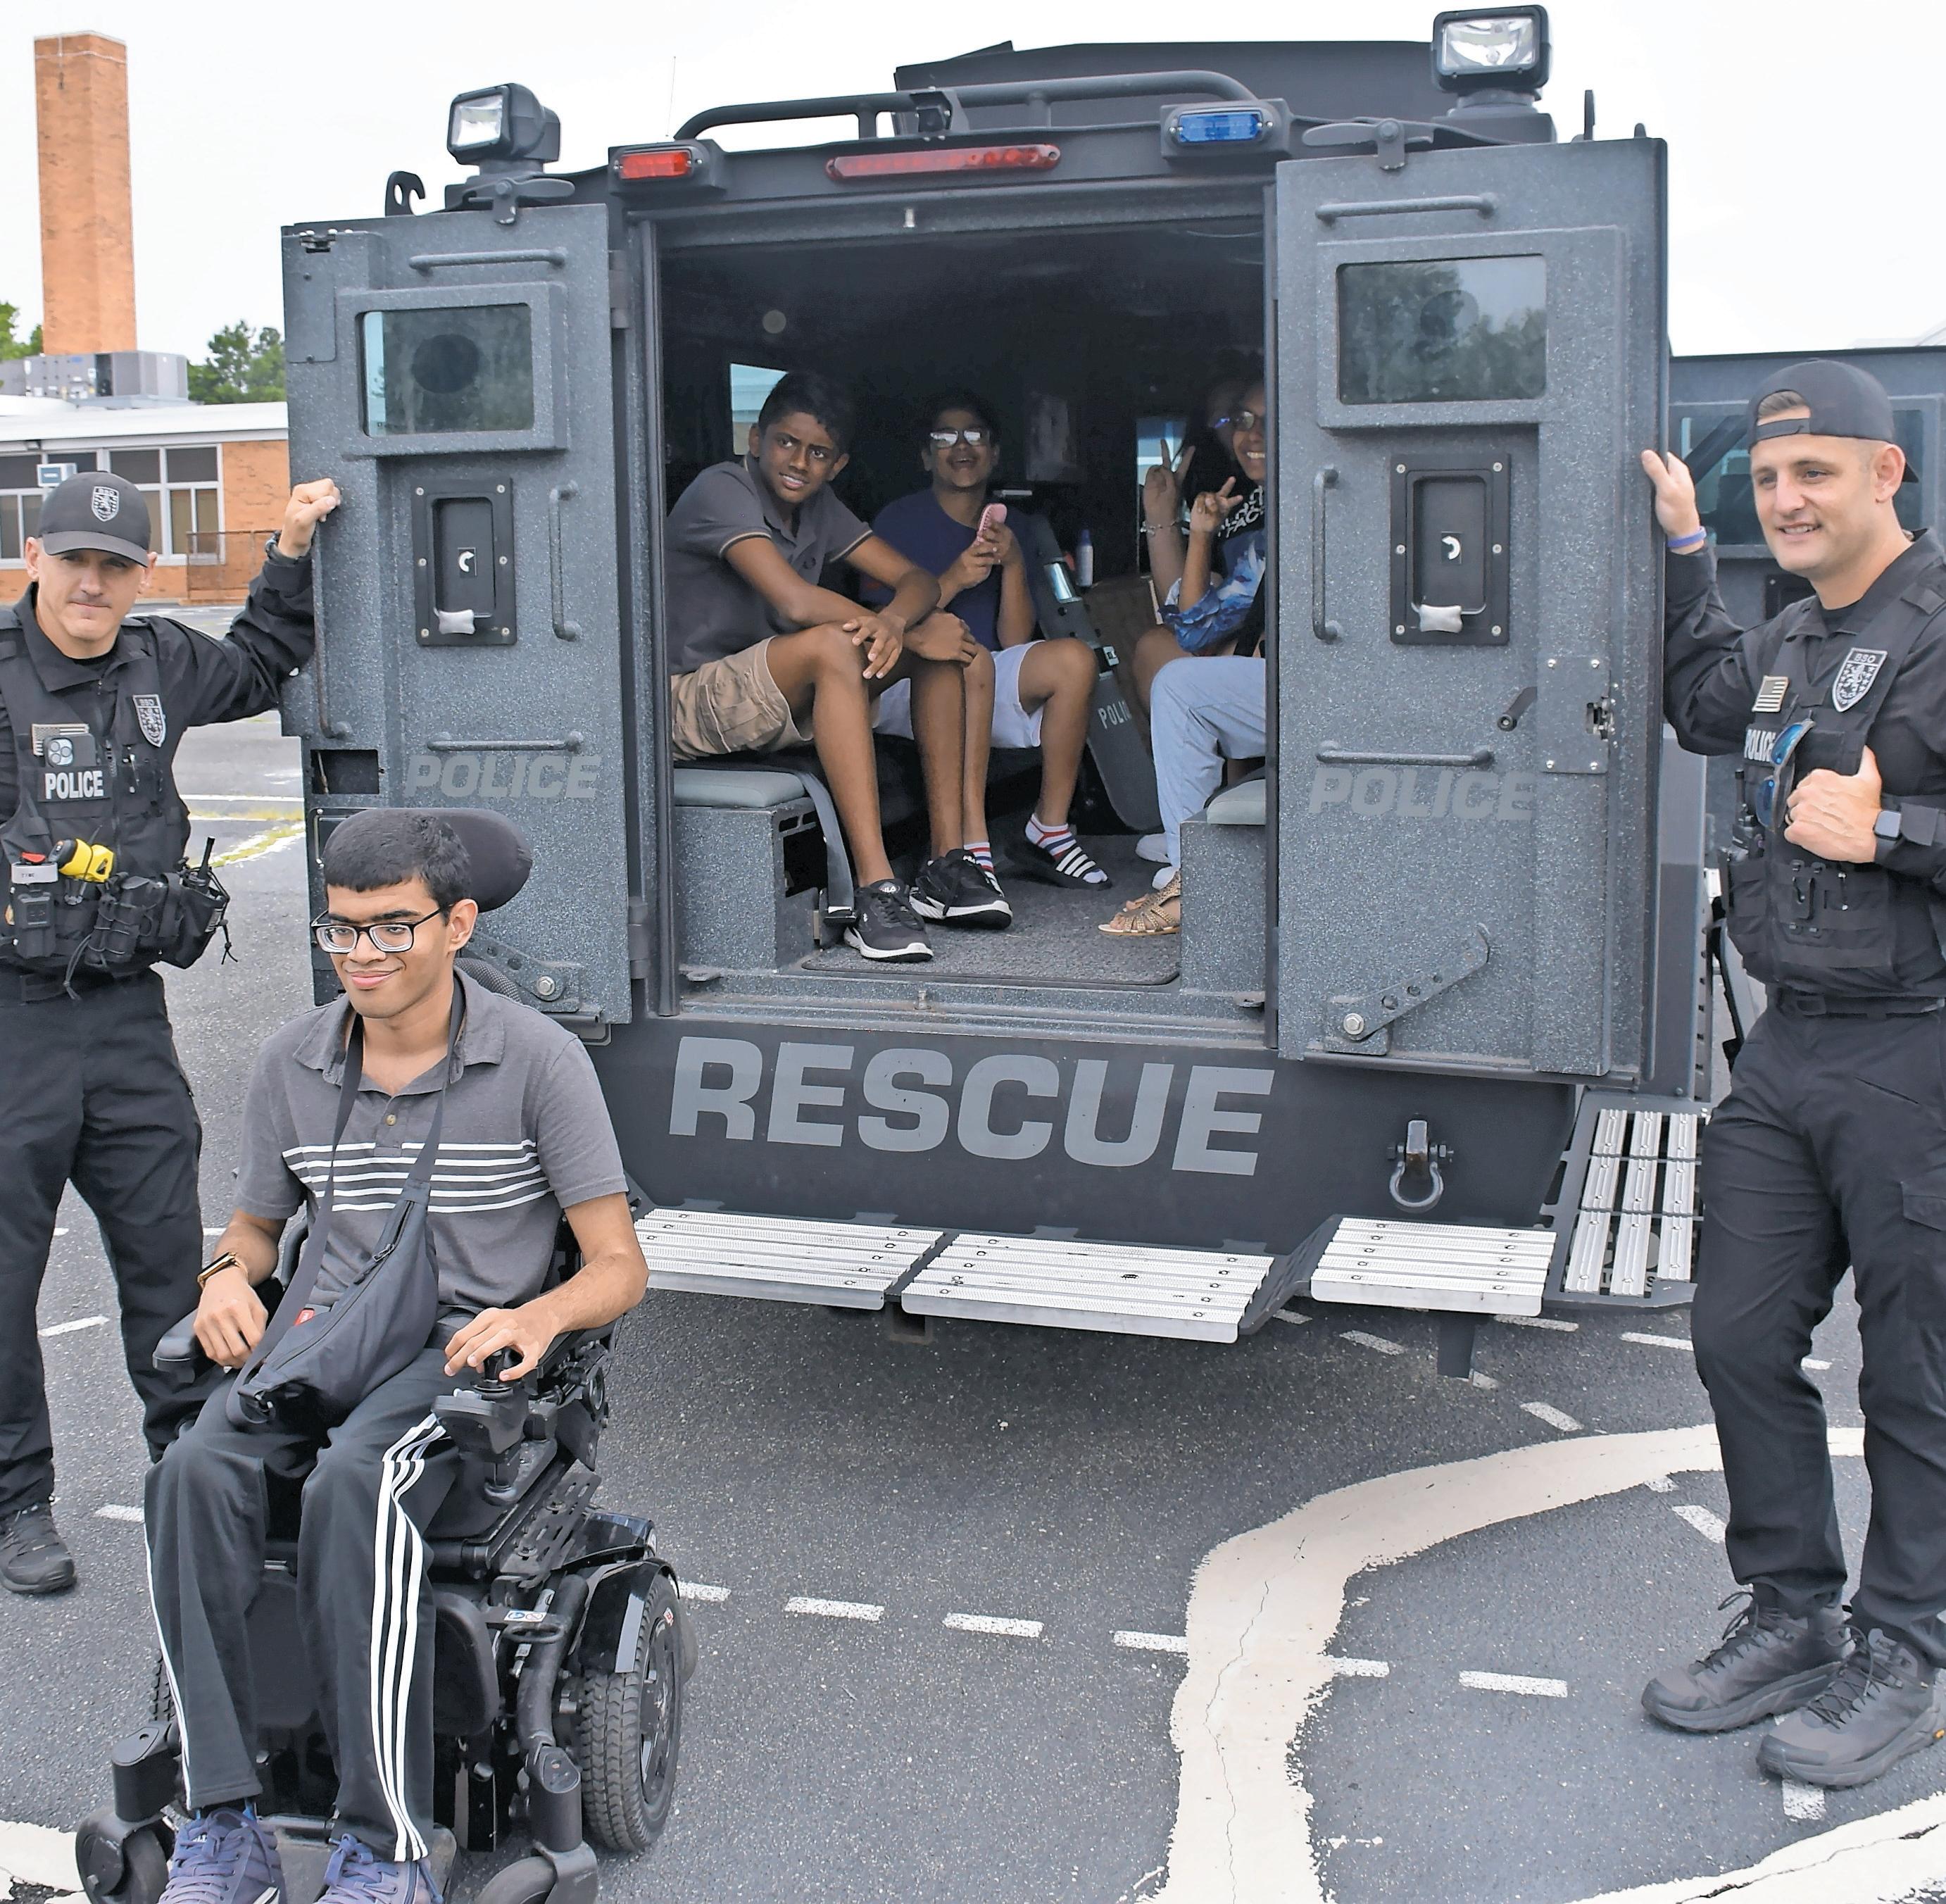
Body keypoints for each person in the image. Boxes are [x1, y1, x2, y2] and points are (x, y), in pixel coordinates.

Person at [146, 808, 649, 1904]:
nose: (361, 955)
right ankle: (222, 1822)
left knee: (356, 1487)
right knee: (188, 1473)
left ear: (457, 924)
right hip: (324, 1337)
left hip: (456, 1352)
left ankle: (386, 1849)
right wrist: (224, 1277)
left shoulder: (537, 1061)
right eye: (342, 930)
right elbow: (255, 1230)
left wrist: (538, 1318)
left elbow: (620, 1265)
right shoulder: (293, 1060)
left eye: (390, 929)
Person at [1639, 359, 1946, 1789]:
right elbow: (1700, 704)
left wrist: (1885, 835)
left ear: (1884, 473)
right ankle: (1790, 1610)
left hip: (1916, 1044)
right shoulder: (1787, 632)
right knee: (1733, 1331)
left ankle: (1905, 1646)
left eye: (1810, 471)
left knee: (1915, 1372)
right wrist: (1682, 547)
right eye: (1765, 479)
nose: (1784, 498)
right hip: (1787, 1040)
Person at [0, 469, 340, 1597]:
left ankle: (190, 1472)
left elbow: (259, 660)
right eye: (74, 561)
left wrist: (291, 549)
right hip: (11, 1022)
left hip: (125, 1015)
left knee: (167, 1259)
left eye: (115, 566)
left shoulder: (160, 662)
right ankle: (17, 1505)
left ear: (141, 575)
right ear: (35, 559)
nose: (91, 584)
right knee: (6, 1281)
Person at [663, 370, 1010, 962]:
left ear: (838, 464)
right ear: (756, 440)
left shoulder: (819, 506)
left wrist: (898, 623)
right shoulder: (722, 487)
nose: (799, 462)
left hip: (773, 685)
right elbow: (794, 601)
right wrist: (905, 630)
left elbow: (917, 579)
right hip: (689, 699)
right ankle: (875, 890)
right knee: (836, 645)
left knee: (943, 647)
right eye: (786, 443)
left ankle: (944, 866)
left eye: (818, 453)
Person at [867, 394, 1107, 889]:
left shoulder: (1012, 526)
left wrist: (1014, 562)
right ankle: (966, 846)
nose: (962, 446)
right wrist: (954, 579)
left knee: (1075, 660)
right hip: (907, 681)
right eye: (945, 437)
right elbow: (882, 629)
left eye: (975, 435)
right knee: (964, 660)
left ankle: (1050, 828)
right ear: (925, 456)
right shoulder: (897, 520)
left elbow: (1013, 639)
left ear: (994, 454)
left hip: (984, 675)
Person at [1101, 387, 1270, 937]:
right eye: (1241, 420)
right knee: (1165, 656)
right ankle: (1196, 847)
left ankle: (1193, 877)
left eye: (1269, 420)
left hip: (1322, 682)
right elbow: (1194, 624)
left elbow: (1196, 630)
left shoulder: (1300, 499)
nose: (1252, 434)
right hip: (1274, 671)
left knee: (1178, 681)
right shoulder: (1253, 503)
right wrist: (1187, 528)